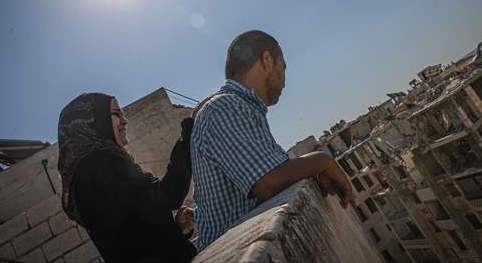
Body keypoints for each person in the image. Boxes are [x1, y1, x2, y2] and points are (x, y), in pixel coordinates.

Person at [191, 30, 354, 250]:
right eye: (283, 67)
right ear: (267, 60)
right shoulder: (224, 107)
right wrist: (322, 161)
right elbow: (268, 182)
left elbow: (276, 171)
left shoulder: (240, 107)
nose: (284, 80)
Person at [57, 92, 196, 263]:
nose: (125, 120)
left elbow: (136, 231)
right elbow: (167, 196)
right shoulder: (98, 163)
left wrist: (178, 228)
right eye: (116, 113)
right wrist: (188, 135)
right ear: (95, 121)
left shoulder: (87, 171)